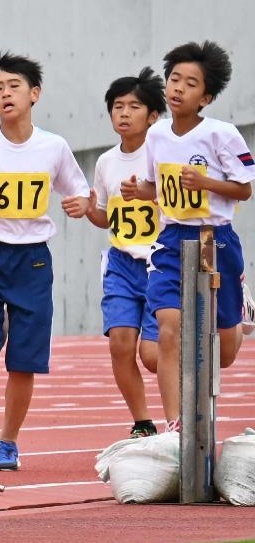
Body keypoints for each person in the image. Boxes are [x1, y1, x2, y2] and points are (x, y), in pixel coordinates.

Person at [0, 52, 91, 472]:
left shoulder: (53, 147)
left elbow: (80, 189)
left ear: (35, 94)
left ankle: (7, 443)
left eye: (13, 86)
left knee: (24, 361)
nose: (5, 94)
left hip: (33, 260)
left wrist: (80, 203)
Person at [122, 40, 251, 429]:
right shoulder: (157, 135)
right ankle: (175, 426)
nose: (178, 88)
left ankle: (239, 308)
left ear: (206, 97)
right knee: (168, 331)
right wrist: (137, 192)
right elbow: (156, 187)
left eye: (190, 83)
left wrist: (206, 183)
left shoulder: (222, 135)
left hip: (217, 240)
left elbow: (244, 188)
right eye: (174, 79)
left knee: (224, 352)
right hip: (170, 240)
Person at [86, 68, 166, 438]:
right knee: (120, 344)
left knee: (152, 357)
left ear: (152, 116)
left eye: (134, 106)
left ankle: (180, 414)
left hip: (160, 262)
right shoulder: (105, 162)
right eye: (118, 106)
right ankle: (143, 421)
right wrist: (88, 210)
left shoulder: (163, 157)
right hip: (120, 263)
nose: (124, 113)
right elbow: (106, 218)